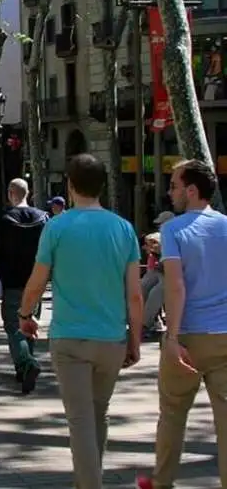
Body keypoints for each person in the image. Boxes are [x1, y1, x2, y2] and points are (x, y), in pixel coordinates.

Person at [19, 154, 143, 489]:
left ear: (70, 186)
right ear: (103, 185)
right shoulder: (123, 229)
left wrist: (25, 315)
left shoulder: (57, 227)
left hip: (70, 339)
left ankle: (90, 485)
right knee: (97, 414)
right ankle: (87, 480)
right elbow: (134, 294)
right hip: (111, 339)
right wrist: (134, 339)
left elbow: (36, 281)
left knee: (80, 420)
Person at [137, 159, 227, 489]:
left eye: (174, 185)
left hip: (188, 335)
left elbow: (174, 285)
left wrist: (171, 337)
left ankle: (162, 482)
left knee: (173, 414)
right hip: (225, 335)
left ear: (191, 190)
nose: (169, 191)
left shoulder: (173, 230)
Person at [0, 178, 48, 393]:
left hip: (12, 280)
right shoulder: (43, 218)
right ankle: (24, 365)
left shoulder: (4, 219)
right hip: (36, 279)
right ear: (28, 193)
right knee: (31, 322)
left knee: (14, 325)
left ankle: (26, 362)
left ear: (10, 193)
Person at [140, 232, 165, 341]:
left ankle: (144, 324)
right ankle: (136, 319)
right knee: (143, 285)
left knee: (157, 292)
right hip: (162, 272)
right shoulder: (154, 254)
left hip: (175, 276)